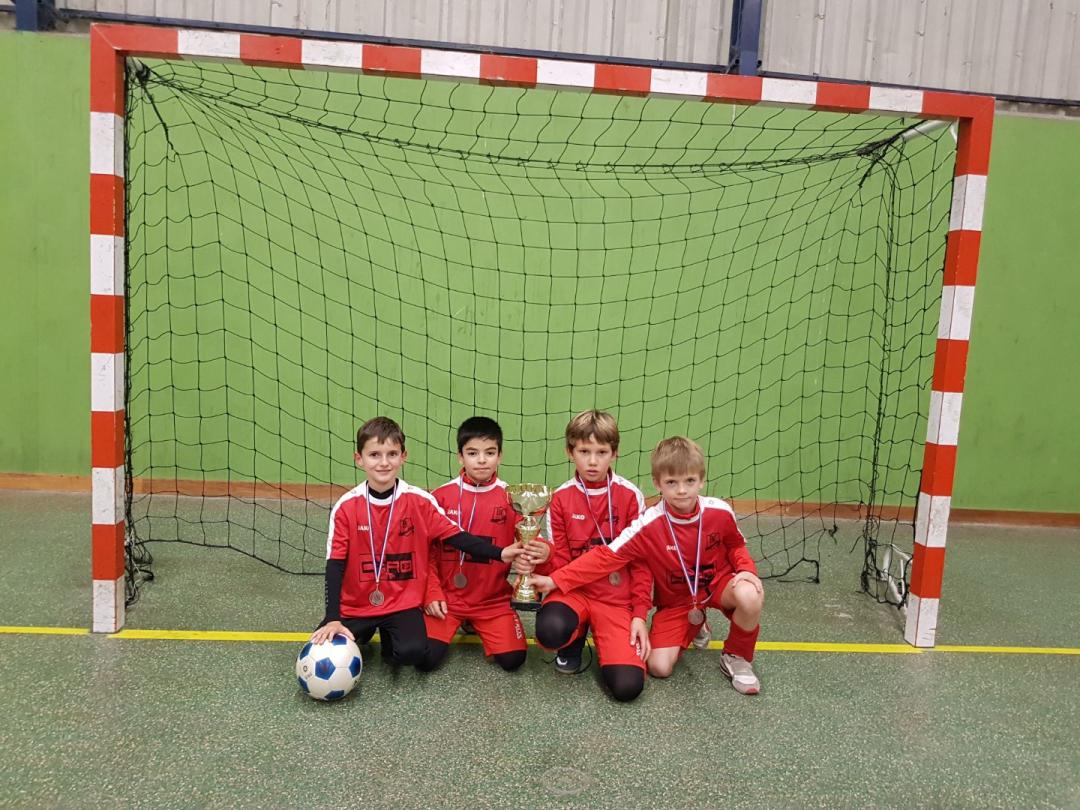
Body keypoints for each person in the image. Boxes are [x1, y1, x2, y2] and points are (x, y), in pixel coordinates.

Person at [529, 436, 765, 695]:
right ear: (657, 483)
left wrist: (746, 570)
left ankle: (737, 657)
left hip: (718, 584)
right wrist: (555, 580)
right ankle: (694, 623)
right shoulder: (647, 524)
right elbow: (606, 556)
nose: (682, 490)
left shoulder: (720, 511)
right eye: (671, 482)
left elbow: (736, 545)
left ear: (701, 480)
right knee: (658, 667)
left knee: (749, 593)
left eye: (690, 481)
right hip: (678, 601)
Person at [309, 416, 524, 669]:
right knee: (322, 649)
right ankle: (363, 631)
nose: (384, 462)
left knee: (412, 654)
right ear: (359, 459)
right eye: (375, 455)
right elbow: (334, 565)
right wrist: (333, 618)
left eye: (392, 454)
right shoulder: (346, 507)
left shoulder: (421, 501)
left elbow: (458, 537)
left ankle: (389, 635)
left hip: (401, 603)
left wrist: (500, 553)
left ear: (403, 456)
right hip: (357, 604)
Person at [529, 410, 651, 702]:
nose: (593, 461)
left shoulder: (630, 496)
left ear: (615, 453)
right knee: (550, 628)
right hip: (576, 592)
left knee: (627, 687)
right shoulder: (560, 498)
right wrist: (544, 555)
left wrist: (639, 615)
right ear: (570, 452)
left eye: (601, 452)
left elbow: (641, 564)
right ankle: (573, 638)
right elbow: (560, 562)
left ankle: (606, 634)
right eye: (584, 451)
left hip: (615, 599)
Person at [418, 416, 550, 672]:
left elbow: (532, 541)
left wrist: (543, 550)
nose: (481, 460)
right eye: (472, 453)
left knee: (513, 660)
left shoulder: (512, 498)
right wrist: (431, 593)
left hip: (492, 602)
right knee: (424, 659)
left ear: (500, 456)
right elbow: (426, 555)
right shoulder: (440, 497)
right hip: (448, 599)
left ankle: (478, 623)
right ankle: (463, 621)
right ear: (460, 457)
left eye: (489, 453)